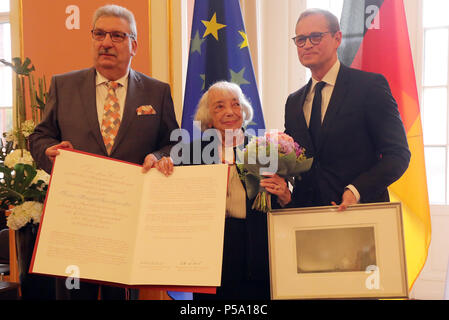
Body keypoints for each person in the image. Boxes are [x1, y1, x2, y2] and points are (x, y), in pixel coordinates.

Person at [29, 4, 178, 299]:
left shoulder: (156, 92)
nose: (106, 42)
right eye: (99, 34)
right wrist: (49, 151)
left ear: (134, 45)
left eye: (117, 36)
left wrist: (160, 156)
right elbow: (40, 137)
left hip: (129, 222)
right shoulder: (63, 85)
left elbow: (175, 142)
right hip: (76, 220)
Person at [284, 9, 410, 210]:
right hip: (305, 219)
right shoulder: (293, 102)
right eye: (301, 39)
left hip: (359, 215)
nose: (307, 45)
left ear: (337, 38)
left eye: (315, 37)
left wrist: (356, 190)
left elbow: (398, 155)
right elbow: (295, 161)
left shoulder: (370, 87)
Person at [175, 81, 289, 300]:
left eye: (235, 105)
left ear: (243, 110)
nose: (229, 112)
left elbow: (281, 203)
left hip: (254, 251)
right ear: (208, 114)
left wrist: (284, 194)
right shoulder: (190, 153)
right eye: (219, 106)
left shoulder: (263, 149)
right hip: (208, 252)